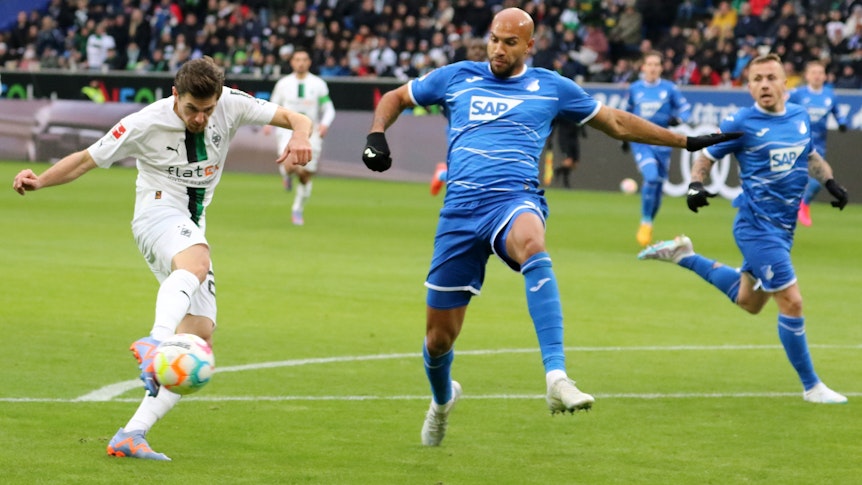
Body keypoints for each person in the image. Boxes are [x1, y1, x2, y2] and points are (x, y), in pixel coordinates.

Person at [360, 7, 740, 447]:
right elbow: (395, 98)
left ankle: (557, 377)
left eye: (510, 42)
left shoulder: (551, 87)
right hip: (459, 212)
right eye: (494, 39)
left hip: (514, 198)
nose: (498, 49)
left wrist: (685, 140)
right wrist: (376, 135)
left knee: (533, 245)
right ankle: (443, 401)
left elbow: (615, 121)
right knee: (438, 339)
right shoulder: (456, 77)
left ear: (530, 46)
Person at [12, 57, 313, 459]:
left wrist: (299, 135)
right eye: (192, 109)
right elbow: (86, 158)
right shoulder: (144, 122)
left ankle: (131, 433)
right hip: (156, 214)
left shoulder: (231, 104)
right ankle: (155, 340)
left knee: (199, 337)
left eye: (208, 110)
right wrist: (40, 181)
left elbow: (296, 118)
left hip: (191, 223)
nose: (201, 118)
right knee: (197, 263)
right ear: (175, 95)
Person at [638, 54, 849, 405]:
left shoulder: (798, 115)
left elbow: (809, 155)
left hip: (783, 229)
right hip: (756, 227)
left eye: (770, 77)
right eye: (756, 79)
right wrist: (695, 185)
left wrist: (830, 183)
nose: (764, 85)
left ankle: (685, 255)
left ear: (785, 83)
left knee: (749, 301)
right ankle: (812, 386)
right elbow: (705, 155)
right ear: (749, 86)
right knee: (791, 302)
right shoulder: (742, 122)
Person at [622, 50, 692, 247]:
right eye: (649, 64)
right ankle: (645, 221)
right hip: (641, 141)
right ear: (643, 67)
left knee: (658, 187)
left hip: (663, 143)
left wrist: (678, 119)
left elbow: (686, 109)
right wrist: (623, 136)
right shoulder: (635, 89)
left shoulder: (669, 89)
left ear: (661, 68)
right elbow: (626, 113)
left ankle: (649, 221)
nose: (652, 68)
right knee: (651, 177)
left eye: (656, 65)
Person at [264, 47, 336, 226]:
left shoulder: (318, 84)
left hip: (311, 132)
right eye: (297, 59)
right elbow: (272, 105)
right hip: (287, 130)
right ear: (292, 62)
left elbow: (328, 108)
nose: (301, 63)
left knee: (306, 175)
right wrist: (267, 123)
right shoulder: (283, 84)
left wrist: (325, 123)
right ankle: (287, 175)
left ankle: (297, 209)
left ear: (309, 62)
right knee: (288, 164)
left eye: (304, 59)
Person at [787, 60, 849, 227]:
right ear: (807, 76)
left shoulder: (829, 95)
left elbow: (837, 113)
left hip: (818, 145)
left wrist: (842, 122)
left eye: (820, 73)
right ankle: (795, 205)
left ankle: (803, 204)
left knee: (821, 177)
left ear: (825, 76)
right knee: (795, 177)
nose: (817, 76)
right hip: (796, 142)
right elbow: (782, 109)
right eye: (813, 72)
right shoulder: (797, 94)